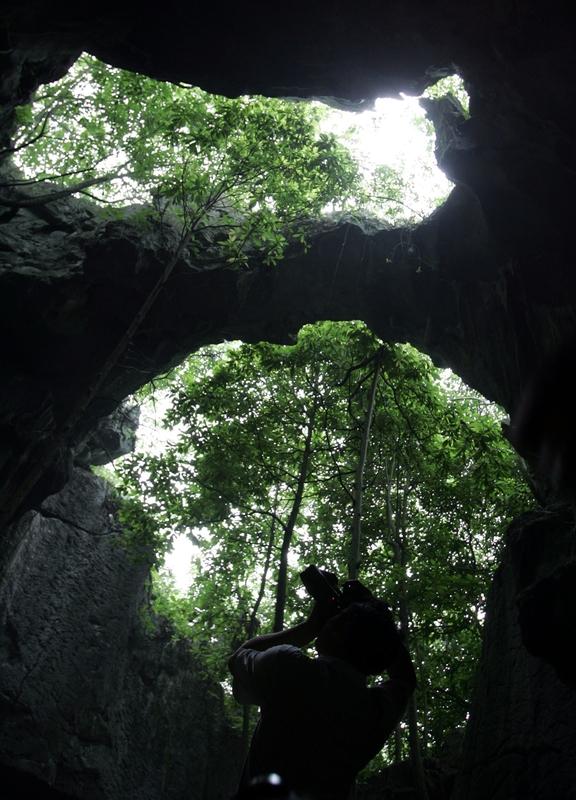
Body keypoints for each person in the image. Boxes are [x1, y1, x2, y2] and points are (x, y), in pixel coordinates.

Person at [228, 588, 416, 800]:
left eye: (338, 617)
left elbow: (237, 660)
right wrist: (380, 623)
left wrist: (310, 627)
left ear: (338, 631)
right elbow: (406, 679)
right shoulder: (375, 712)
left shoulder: (289, 667)